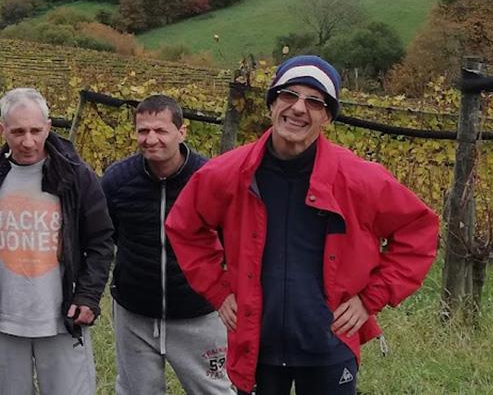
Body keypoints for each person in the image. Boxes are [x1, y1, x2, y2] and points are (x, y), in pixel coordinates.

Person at [165, 55, 439, 395]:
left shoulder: (358, 179)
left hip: (329, 344)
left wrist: (370, 300)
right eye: (288, 96)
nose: (298, 108)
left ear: (326, 116)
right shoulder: (229, 173)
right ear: (271, 105)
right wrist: (219, 293)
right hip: (256, 344)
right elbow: (183, 226)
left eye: (314, 101)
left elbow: (420, 230)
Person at [0, 87, 115, 395]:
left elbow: (100, 241)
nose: (27, 141)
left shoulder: (75, 174)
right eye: (17, 132)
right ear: (1, 129)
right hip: (5, 317)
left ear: (48, 127)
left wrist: (87, 297)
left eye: (35, 130)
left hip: (61, 318)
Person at [101, 95, 231, 394]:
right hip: (135, 315)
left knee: (214, 391)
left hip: (199, 314)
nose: (150, 139)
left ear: (181, 132)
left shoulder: (210, 179)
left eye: (160, 130)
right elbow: (107, 238)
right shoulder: (116, 181)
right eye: (143, 131)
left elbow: (233, 243)